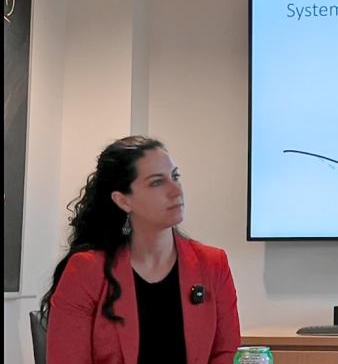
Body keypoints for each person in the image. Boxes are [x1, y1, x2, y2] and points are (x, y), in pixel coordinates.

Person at [40, 136, 240, 363]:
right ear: (123, 201)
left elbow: (227, 353)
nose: (176, 191)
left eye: (175, 176)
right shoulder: (85, 271)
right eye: (157, 182)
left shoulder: (213, 264)